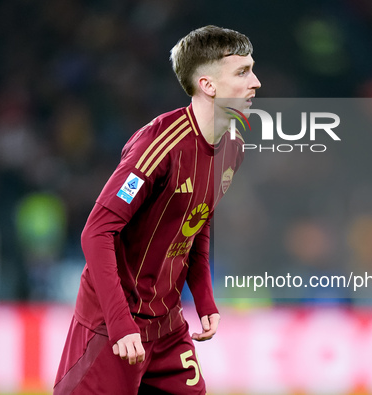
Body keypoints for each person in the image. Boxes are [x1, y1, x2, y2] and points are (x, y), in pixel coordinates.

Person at [54, 25, 261, 394]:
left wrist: (204, 298)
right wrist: (119, 325)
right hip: (112, 328)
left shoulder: (233, 148)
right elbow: (96, 233)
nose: (255, 82)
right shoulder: (159, 144)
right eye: (243, 72)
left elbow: (197, 221)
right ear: (208, 85)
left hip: (167, 328)